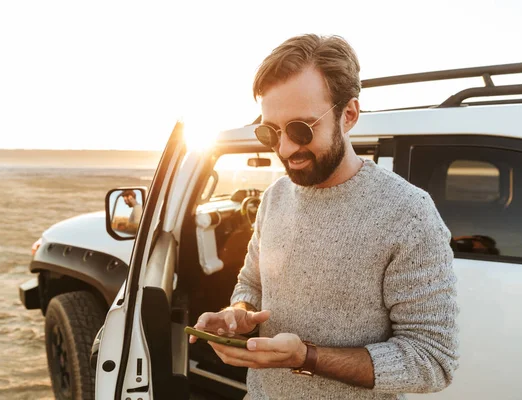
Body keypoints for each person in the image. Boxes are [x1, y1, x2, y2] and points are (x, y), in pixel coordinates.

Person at [190, 34, 459, 399]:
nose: (285, 149)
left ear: (348, 115)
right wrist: (237, 314)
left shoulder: (407, 213)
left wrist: (307, 357)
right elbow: (252, 283)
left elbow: (432, 359)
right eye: (271, 132)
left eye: (301, 130)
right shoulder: (274, 197)